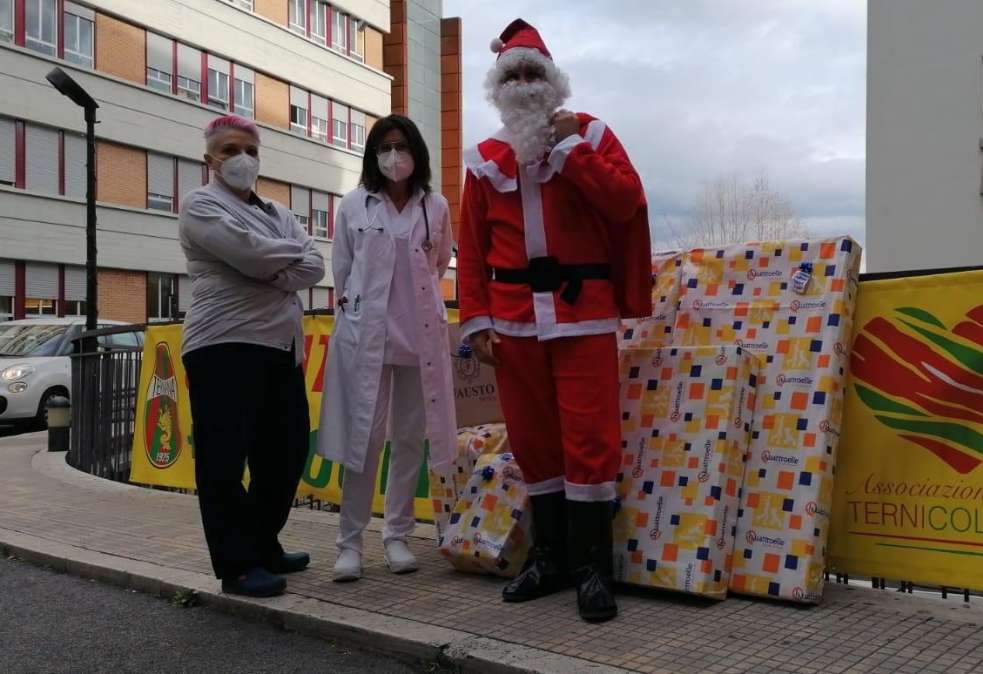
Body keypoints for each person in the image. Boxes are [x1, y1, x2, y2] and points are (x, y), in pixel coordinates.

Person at [457, 19, 652, 622]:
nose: (522, 84)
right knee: (535, 440)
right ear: (497, 86)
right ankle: (551, 558)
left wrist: (570, 151)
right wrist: (476, 321)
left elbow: (625, 202)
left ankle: (594, 568)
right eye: (511, 75)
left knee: (590, 440)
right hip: (514, 322)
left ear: (553, 81)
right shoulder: (486, 159)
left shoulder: (591, 135)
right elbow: (472, 245)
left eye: (531, 73)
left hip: (583, 316)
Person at [179, 115, 325, 598]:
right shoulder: (199, 204)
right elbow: (254, 255)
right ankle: (237, 565)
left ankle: (262, 542)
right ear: (210, 159)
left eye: (250, 150)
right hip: (223, 343)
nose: (241, 159)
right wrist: (277, 260)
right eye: (229, 150)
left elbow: (314, 264)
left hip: (281, 348)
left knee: (284, 453)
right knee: (223, 459)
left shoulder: (278, 211)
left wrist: (267, 261)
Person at [317, 115, 457, 582]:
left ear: (416, 152)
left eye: (401, 146)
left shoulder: (434, 206)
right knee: (365, 441)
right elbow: (344, 269)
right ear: (373, 154)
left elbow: (438, 263)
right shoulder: (355, 205)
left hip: (419, 340)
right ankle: (349, 544)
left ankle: (397, 535)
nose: (394, 156)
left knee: (409, 440)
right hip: (367, 338)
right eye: (385, 147)